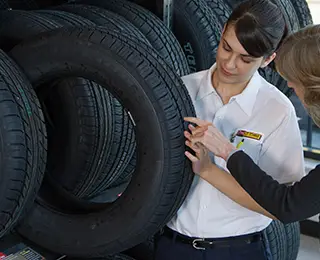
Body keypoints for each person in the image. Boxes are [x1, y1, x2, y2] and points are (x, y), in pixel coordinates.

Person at [154, 0, 305, 259]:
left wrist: (211, 168)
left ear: (268, 59)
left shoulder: (277, 110)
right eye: (226, 47)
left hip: (238, 250)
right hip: (172, 245)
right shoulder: (181, 91)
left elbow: (280, 206)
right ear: (222, 30)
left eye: (245, 59)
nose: (230, 64)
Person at [184, 24, 320, 226]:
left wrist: (226, 151)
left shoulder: (278, 108)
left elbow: (289, 205)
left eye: (294, 78)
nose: (290, 85)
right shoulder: (186, 86)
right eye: (226, 48)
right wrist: (208, 169)